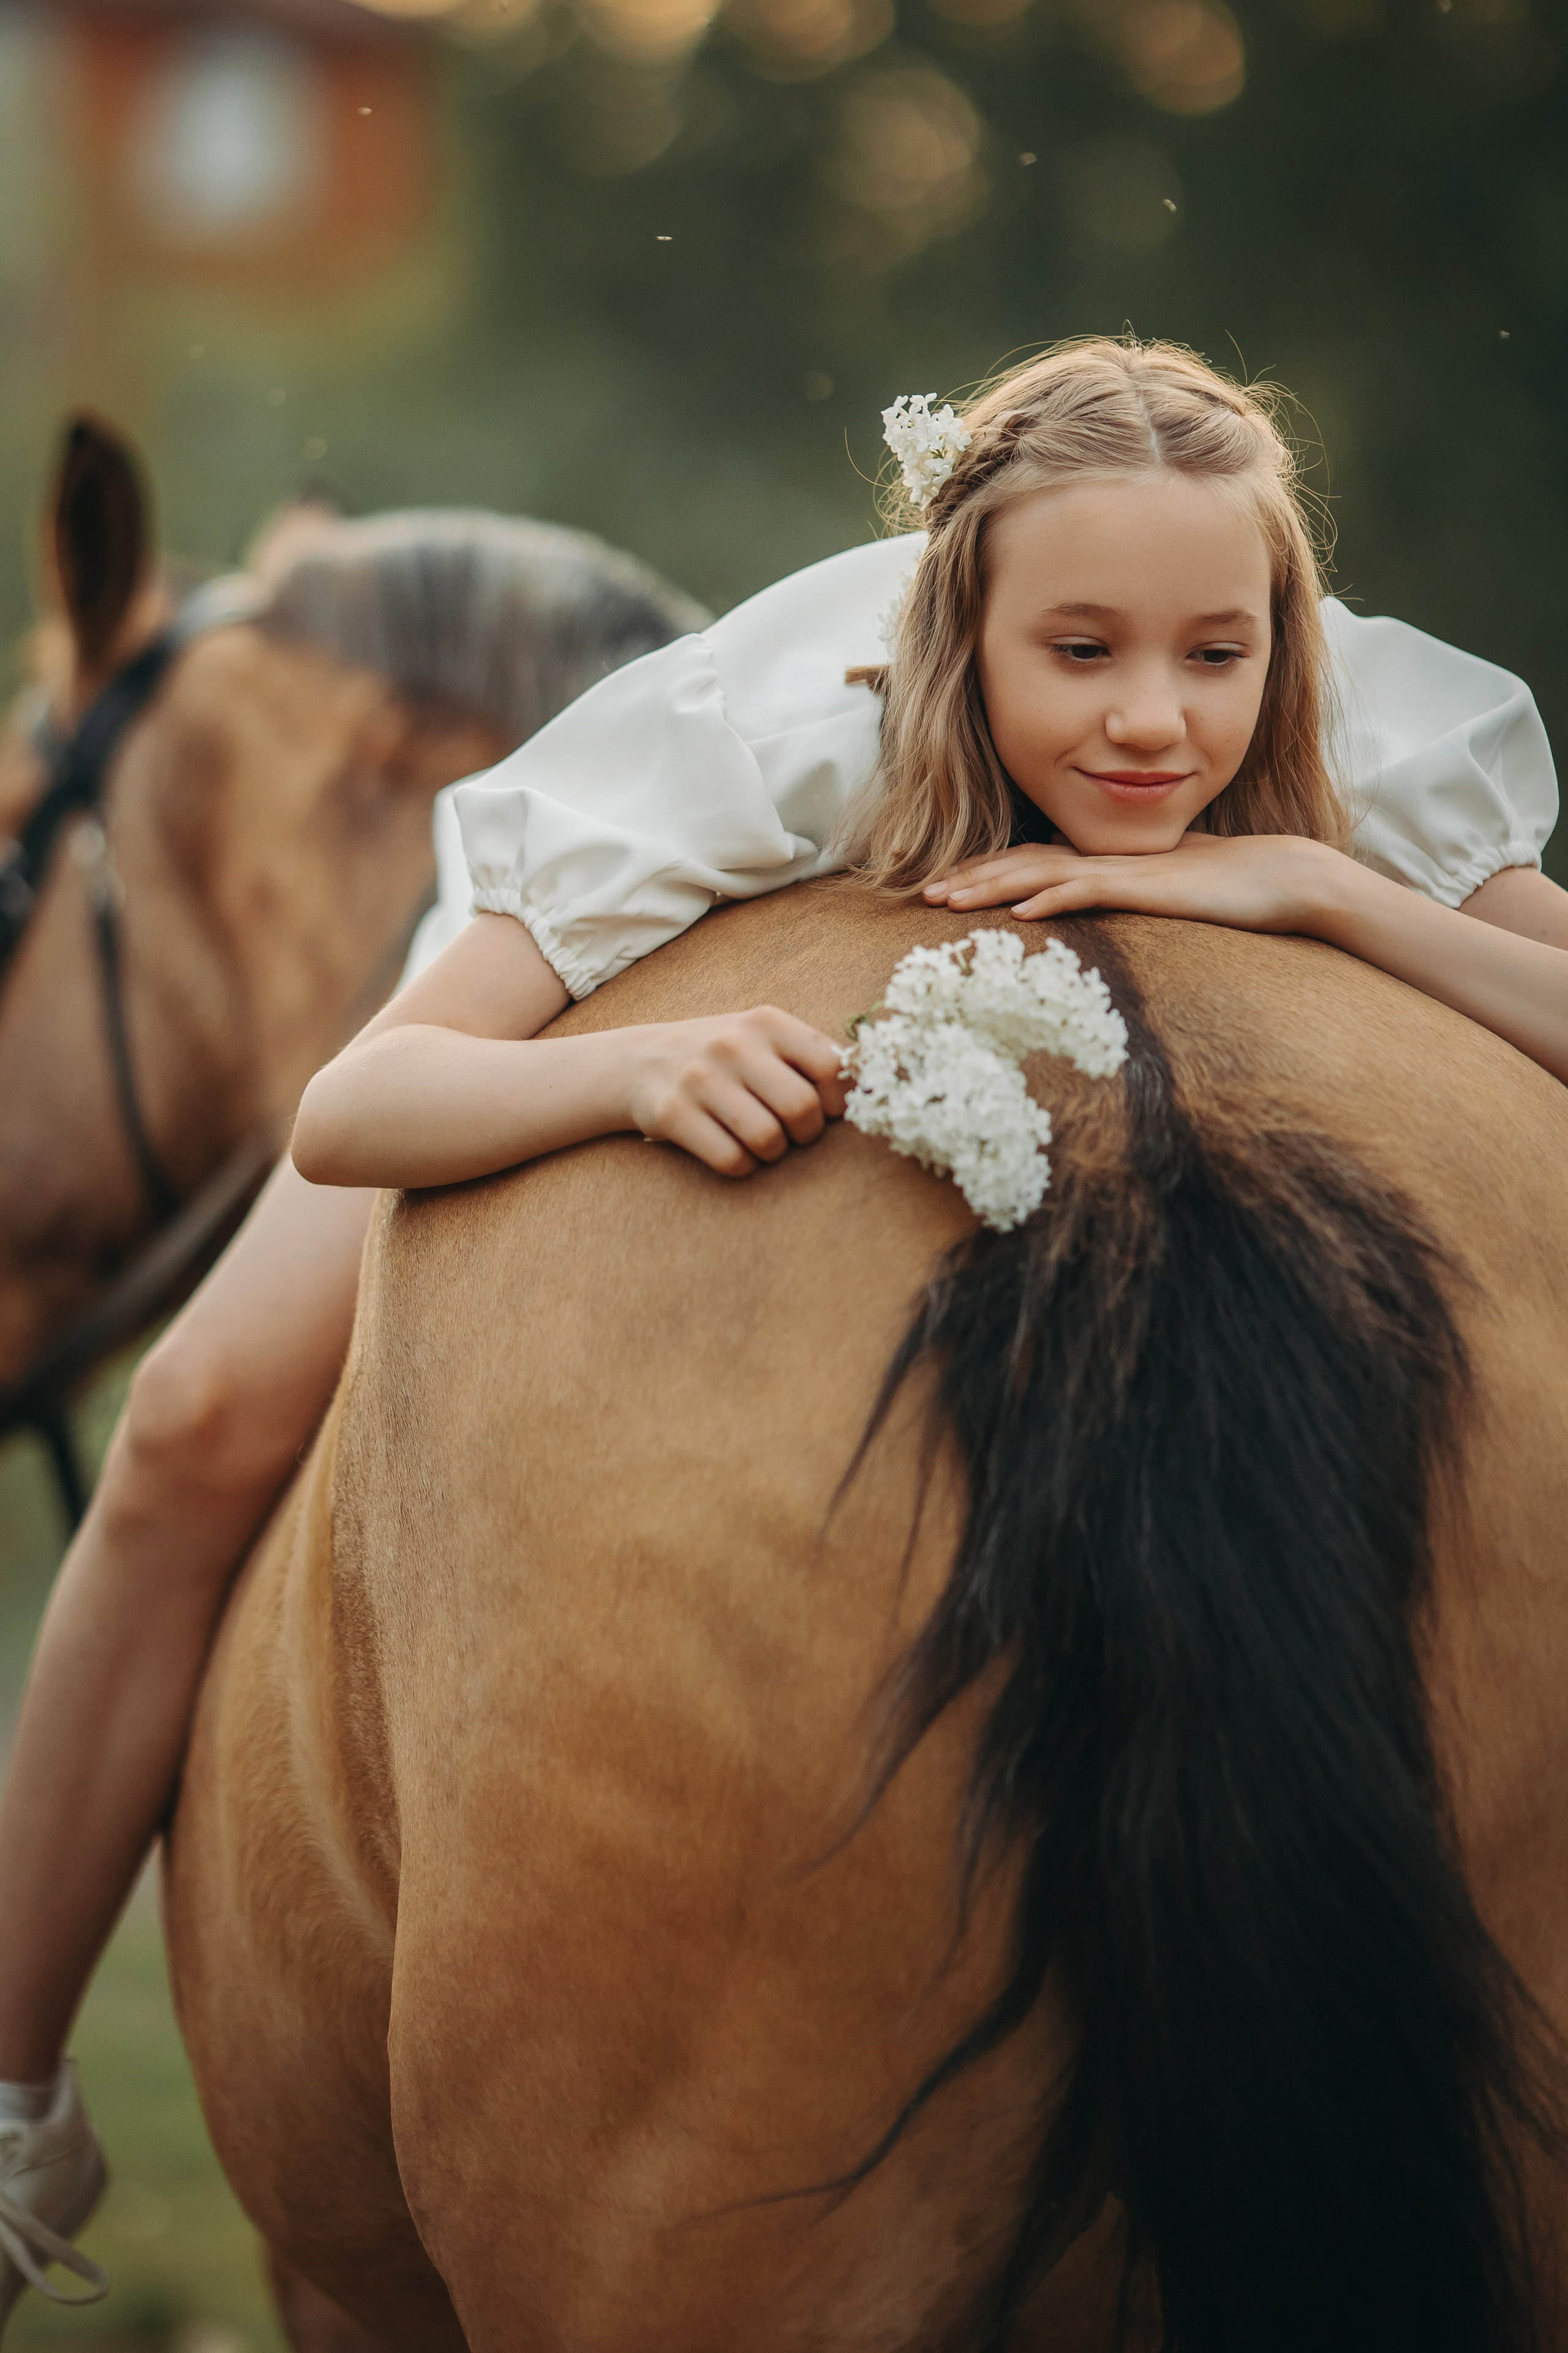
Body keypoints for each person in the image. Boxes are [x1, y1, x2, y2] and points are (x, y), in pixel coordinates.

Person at [1, 335, 1564, 2322]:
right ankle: (15, 2093)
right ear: (958, 623)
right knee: (195, 1418)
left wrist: (1328, 898)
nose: (1158, 723)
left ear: (1280, 637)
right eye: (1078, 652)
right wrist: (626, 1073)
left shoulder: (1371, 739)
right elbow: (354, 1109)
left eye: (1214, 656)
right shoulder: (747, 743)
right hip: (645, 948)